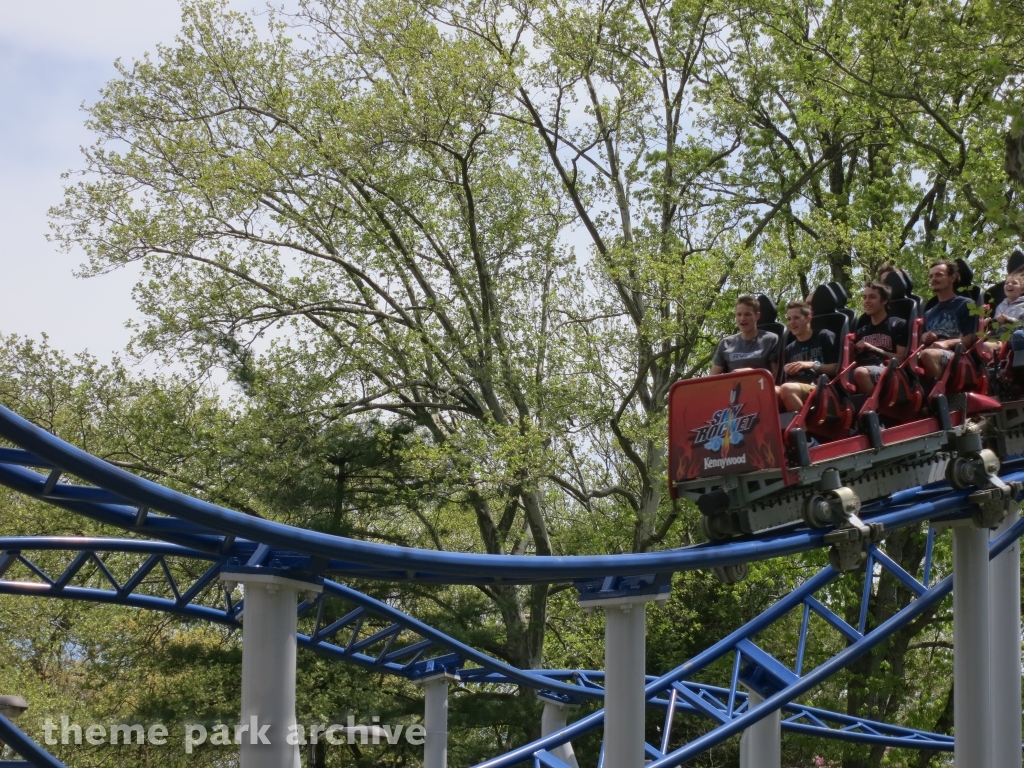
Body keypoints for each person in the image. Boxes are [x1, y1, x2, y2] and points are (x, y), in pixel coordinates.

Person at [777, 301, 839, 410]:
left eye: (796, 318)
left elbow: (836, 368)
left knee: (786, 389)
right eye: (789, 319)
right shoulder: (789, 349)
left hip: (824, 389)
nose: (792, 322)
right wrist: (788, 370)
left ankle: (801, 427)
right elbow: (788, 380)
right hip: (797, 388)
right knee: (770, 392)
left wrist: (811, 365)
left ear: (808, 319)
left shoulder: (824, 336)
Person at [919, 260, 976, 379]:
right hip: (931, 352)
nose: (933, 279)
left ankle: (938, 394)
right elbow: (922, 339)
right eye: (931, 276)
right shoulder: (928, 312)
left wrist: (946, 343)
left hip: (959, 356)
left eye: (939, 275)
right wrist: (924, 336)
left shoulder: (966, 304)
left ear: (952, 278)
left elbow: (970, 338)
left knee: (927, 354)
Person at [852, 282, 908, 395]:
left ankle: (875, 410)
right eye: (864, 297)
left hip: (892, 372)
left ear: (884, 300)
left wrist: (873, 348)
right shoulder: (861, 331)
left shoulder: (898, 324)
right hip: (864, 369)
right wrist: (850, 351)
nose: (867, 301)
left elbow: (901, 359)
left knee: (860, 373)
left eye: (872, 297)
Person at [710, 295, 780, 376]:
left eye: (747, 314)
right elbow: (712, 379)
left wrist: (752, 373)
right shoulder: (725, 343)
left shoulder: (771, 339)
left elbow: (776, 376)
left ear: (757, 316)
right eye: (739, 314)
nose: (742, 319)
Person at [984, 271, 1024, 356]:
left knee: (986, 345)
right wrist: (989, 323)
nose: (1009, 284)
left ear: (1022, 289)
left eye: (1014, 283)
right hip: (997, 337)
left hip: (1012, 338)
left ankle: (997, 367)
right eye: (1007, 283)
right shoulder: (1000, 305)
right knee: (977, 344)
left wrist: (1007, 319)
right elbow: (996, 326)